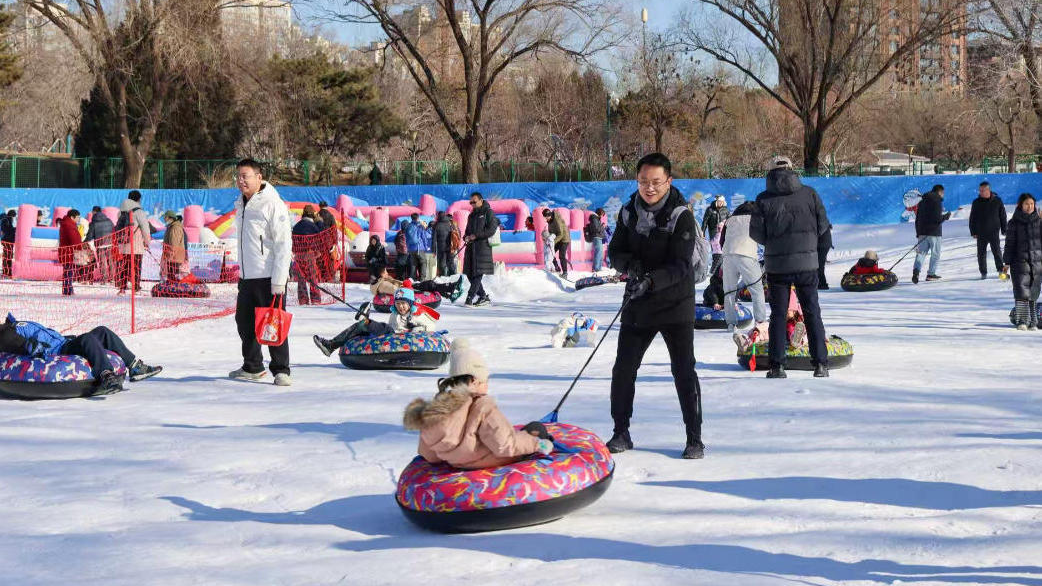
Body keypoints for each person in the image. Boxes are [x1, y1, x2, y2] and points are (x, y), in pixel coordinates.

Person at [606, 152, 704, 460]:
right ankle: (620, 431)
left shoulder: (680, 215)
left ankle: (694, 437)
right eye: (643, 182)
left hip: (676, 302)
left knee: (683, 369)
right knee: (623, 368)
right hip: (638, 302)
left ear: (669, 181)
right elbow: (614, 251)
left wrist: (652, 280)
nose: (649, 188)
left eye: (656, 182)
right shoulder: (628, 212)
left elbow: (681, 266)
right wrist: (631, 266)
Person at [402, 338, 552, 469]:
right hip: (494, 462)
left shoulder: (435, 411)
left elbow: (430, 456)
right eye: (485, 381)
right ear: (474, 381)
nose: (486, 386)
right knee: (535, 428)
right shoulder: (482, 407)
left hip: (458, 464)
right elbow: (504, 446)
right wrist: (537, 444)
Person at [750, 155, 831, 379]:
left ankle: (777, 366)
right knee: (812, 311)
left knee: (778, 314)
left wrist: (774, 243)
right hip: (807, 264)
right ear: (792, 170)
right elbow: (823, 224)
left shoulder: (763, 199)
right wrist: (808, 244)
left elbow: (755, 233)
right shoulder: (810, 193)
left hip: (777, 265)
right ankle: (820, 364)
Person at [229, 158, 293, 387]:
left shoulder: (272, 203)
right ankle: (253, 366)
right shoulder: (241, 204)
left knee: (273, 323)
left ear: (259, 177)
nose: (240, 181)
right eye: (238, 176)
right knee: (244, 322)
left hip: (269, 277)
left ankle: (281, 370)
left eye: (245, 176)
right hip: (247, 277)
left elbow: (283, 244)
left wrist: (279, 280)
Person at [0, 315, 162, 396]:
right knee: (87, 339)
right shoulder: (5, 333)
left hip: (64, 341)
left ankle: (135, 366)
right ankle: (106, 374)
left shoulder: (14, 324)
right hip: (59, 352)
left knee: (102, 331)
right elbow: (24, 346)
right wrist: (38, 349)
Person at [312, 284, 439, 356]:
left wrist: (415, 328)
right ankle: (331, 345)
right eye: (398, 303)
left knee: (383, 328)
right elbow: (390, 330)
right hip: (391, 336)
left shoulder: (418, 314)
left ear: (410, 304)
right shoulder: (395, 315)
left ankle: (367, 321)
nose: (401, 306)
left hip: (401, 337)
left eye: (404, 303)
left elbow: (431, 328)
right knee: (361, 326)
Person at [722, 201, 767, 334]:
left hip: (728, 255)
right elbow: (763, 237)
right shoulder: (755, 218)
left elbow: (721, 240)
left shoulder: (729, 220)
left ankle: (731, 323)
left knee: (729, 291)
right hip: (746, 254)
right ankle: (760, 322)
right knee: (756, 289)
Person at [1003, 193, 1042, 331]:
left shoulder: (1039, 221)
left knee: (1033, 292)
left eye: (1031, 204)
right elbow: (1009, 244)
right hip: (1019, 262)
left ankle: (1032, 322)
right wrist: (1006, 262)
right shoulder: (1013, 223)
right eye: (1026, 204)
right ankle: (1021, 321)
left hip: (1037, 263)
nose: (1029, 206)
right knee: (1021, 291)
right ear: (1020, 205)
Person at [463, 192, 499, 306]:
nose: (472, 204)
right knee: (469, 274)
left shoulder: (488, 212)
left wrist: (476, 235)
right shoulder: (471, 215)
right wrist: (466, 237)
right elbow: (467, 231)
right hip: (471, 248)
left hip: (482, 248)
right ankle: (483, 296)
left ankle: (470, 297)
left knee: (478, 274)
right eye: (470, 202)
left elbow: (492, 229)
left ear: (481, 200)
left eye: (474, 201)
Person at [912, 184, 951, 283]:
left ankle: (916, 271)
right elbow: (937, 219)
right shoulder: (937, 201)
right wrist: (946, 216)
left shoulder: (922, 202)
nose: (943, 196)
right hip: (934, 233)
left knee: (921, 253)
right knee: (935, 254)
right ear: (940, 192)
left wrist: (918, 232)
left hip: (922, 232)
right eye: (943, 194)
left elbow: (917, 218)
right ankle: (931, 274)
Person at [969, 181, 1008, 280]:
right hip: (980, 233)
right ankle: (983, 273)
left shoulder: (997, 201)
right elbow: (972, 218)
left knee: (997, 252)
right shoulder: (976, 202)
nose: (981, 192)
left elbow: (1003, 216)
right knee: (981, 254)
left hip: (994, 232)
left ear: (988, 190)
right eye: (980, 190)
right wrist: (973, 231)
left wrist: (1004, 229)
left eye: (983, 190)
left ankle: (1001, 272)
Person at [115, 191, 151, 294]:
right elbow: (145, 228)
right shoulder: (139, 211)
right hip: (136, 244)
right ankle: (136, 287)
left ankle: (122, 287)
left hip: (124, 243)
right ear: (138, 199)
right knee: (136, 266)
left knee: (124, 266)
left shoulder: (121, 211)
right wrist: (147, 242)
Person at [291, 205, 325, 305]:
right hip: (310, 254)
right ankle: (315, 299)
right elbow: (320, 236)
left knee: (301, 279)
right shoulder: (313, 226)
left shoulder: (296, 226)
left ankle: (303, 299)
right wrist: (319, 222)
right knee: (312, 278)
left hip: (298, 255)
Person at [84, 206, 115, 283]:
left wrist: (84, 242)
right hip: (110, 243)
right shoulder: (109, 220)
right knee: (111, 261)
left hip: (100, 244)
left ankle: (104, 279)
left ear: (94, 212)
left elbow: (90, 235)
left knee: (102, 262)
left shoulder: (93, 223)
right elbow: (113, 230)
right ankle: (113, 278)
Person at [702, 195, 730, 276]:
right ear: (716, 201)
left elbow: (730, 221)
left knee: (721, 253)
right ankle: (714, 271)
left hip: (723, 234)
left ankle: (716, 271)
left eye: (722, 202)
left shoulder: (726, 210)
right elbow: (705, 222)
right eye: (719, 201)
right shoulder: (710, 210)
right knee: (717, 252)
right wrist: (702, 232)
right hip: (714, 233)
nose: (720, 203)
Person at [58, 209, 83, 296]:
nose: (78, 219)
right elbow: (74, 239)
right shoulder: (69, 225)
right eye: (77, 218)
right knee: (68, 271)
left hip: (67, 251)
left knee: (68, 271)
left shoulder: (67, 224)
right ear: (72, 217)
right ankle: (67, 290)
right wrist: (80, 247)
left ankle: (69, 289)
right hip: (68, 252)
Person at [543, 208, 571, 279]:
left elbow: (560, 233)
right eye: (545, 217)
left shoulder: (556, 220)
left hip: (564, 239)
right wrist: (547, 238)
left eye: (547, 217)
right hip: (557, 239)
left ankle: (565, 273)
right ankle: (557, 268)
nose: (546, 218)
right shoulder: (549, 221)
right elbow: (551, 232)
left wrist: (553, 242)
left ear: (550, 215)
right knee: (551, 253)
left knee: (561, 256)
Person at [160, 211, 186, 283]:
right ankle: (172, 287)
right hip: (172, 255)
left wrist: (170, 255)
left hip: (174, 256)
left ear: (171, 218)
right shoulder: (171, 227)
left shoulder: (175, 228)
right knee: (171, 275)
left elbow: (174, 244)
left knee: (173, 275)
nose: (164, 219)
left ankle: (174, 290)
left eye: (166, 217)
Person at [432, 211, 457, 276]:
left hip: (441, 248)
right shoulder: (450, 223)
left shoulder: (436, 225)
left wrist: (434, 250)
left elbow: (434, 239)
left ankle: (442, 277)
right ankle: (453, 276)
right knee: (451, 262)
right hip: (451, 246)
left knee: (442, 264)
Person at [403, 213, 425, 281]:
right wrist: (425, 246)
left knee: (413, 264)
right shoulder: (420, 226)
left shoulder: (408, 226)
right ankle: (422, 279)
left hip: (411, 249)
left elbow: (406, 237)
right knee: (423, 263)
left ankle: (413, 280)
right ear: (418, 218)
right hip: (419, 248)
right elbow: (423, 237)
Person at [817, 223, 833, 290]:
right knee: (818, 264)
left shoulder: (817, 220)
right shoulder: (822, 219)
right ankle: (820, 283)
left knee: (819, 265)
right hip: (823, 244)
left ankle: (823, 284)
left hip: (822, 244)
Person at [1, 209, 15, 278]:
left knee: (8, 257)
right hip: (7, 241)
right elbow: (7, 230)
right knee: (7, 257)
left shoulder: (7, 220)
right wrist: (15, 229)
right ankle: (6, 272)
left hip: (8, 241)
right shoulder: (6, 220)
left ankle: (7, 271)